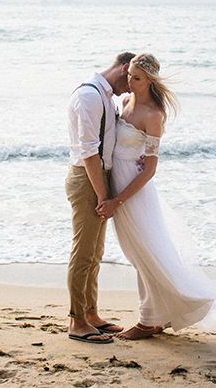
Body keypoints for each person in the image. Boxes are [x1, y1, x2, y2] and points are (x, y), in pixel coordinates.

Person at [96, 53, 216, 340]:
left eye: (137, 78)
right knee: (138, 255)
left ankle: (147, 321)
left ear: (150, 81)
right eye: (129, 75)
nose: (130, 81)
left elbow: (149, 169)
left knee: (145, 255)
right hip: (118, 187)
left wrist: (118, 200)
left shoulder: (154, 115)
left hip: (133, 194)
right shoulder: (124, 102)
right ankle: (158, 316)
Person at [66, 51, 135, 344]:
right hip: (87, 178)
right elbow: (89, 152)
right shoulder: (90, 96)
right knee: (83, 251)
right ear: (123, 68)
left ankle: (91, 314)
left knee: (95, 253)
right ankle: (76, 321)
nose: (131, 88)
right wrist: (103, 194)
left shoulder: (107, 96)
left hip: (98, 176)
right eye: (131, 80)